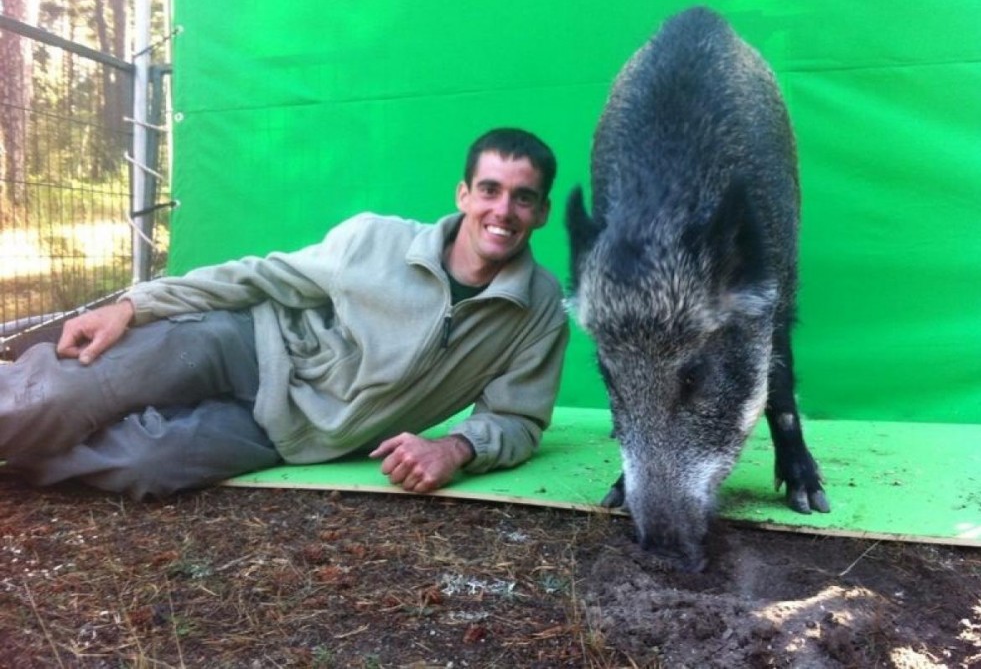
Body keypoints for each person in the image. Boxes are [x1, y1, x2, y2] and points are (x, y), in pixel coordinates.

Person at [0, 128, 569, 500]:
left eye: (522, 197)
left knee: (146, 463)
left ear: (542, 212)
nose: (503, 210)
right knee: (62, 394)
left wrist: (455, 449)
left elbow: (519, 420)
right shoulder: (378, 240)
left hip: (293, 432)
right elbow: (257, 275)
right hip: (244, 343)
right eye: (490, 190)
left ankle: (18, 461)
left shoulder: (538, 311)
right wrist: (133, 304)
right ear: (464, 194)